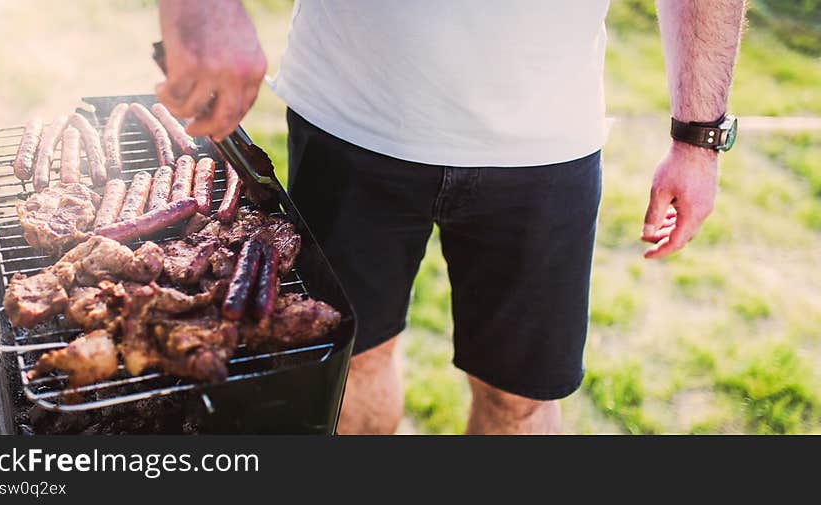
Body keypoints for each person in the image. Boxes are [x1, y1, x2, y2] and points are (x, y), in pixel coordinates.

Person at [155, 0, 746, 434]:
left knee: (520, 399)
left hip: (543, 142)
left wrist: (698, 137)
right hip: (347, 114)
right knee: (350, 364)